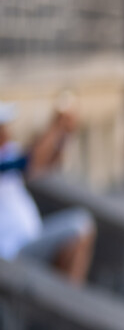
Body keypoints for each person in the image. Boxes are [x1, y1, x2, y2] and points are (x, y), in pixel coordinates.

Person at [0, 99, 95, 285]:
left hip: (29, 239)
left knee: (81, 226)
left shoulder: (7, 152)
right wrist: (55, 126)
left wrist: (64, 135)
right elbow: (30, 161)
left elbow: (46, 164)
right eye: (3, 127)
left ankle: (68, 295)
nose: (7, 132)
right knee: (78, 225)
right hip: (12, 251)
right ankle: (68, 299)